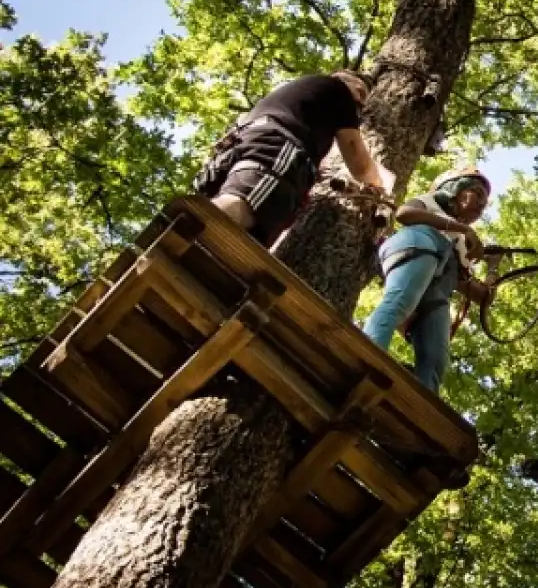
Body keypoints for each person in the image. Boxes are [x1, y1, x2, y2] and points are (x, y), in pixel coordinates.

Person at [194, 70, 390, 244]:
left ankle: (188, 237)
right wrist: (380, 184)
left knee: (245, 225)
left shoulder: (296, 99)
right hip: (275, 147)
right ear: (342, 77)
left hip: (241, 146)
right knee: (245, 203)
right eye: (360, 92)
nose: (360, 104)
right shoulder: (337, 89)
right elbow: (358, 160)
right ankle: (191, 232)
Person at [362, 169, 495, 394]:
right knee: (399, 303)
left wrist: (493, 267)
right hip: (418, 245)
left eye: (485, 201)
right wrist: (461, 228)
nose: (482, 205)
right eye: (478, 193)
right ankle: (365, 355)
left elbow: (482, 296)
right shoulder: (431, 203)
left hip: (440, 283)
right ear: (455, 188)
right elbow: (405, 213)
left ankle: (422, 403)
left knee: (436, 357)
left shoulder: (461, 244)